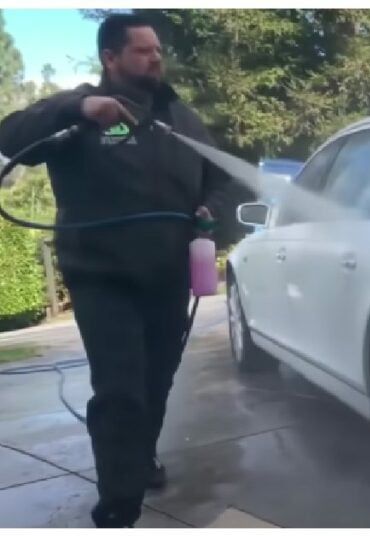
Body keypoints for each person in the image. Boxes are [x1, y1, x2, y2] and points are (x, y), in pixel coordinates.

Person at [0, 14, 231, 528]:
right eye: (143, 51)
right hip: (103, 276)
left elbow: (217, 177)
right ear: (111, 58)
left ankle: (139, 459)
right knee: (120, 389)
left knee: (156, 381)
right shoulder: (78, 114)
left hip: (167, 275)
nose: (156, 58)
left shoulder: (182, 117)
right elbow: (10, 135)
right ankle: (119, 505)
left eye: (157, 50)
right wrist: (80, 108)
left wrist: (209, 208)